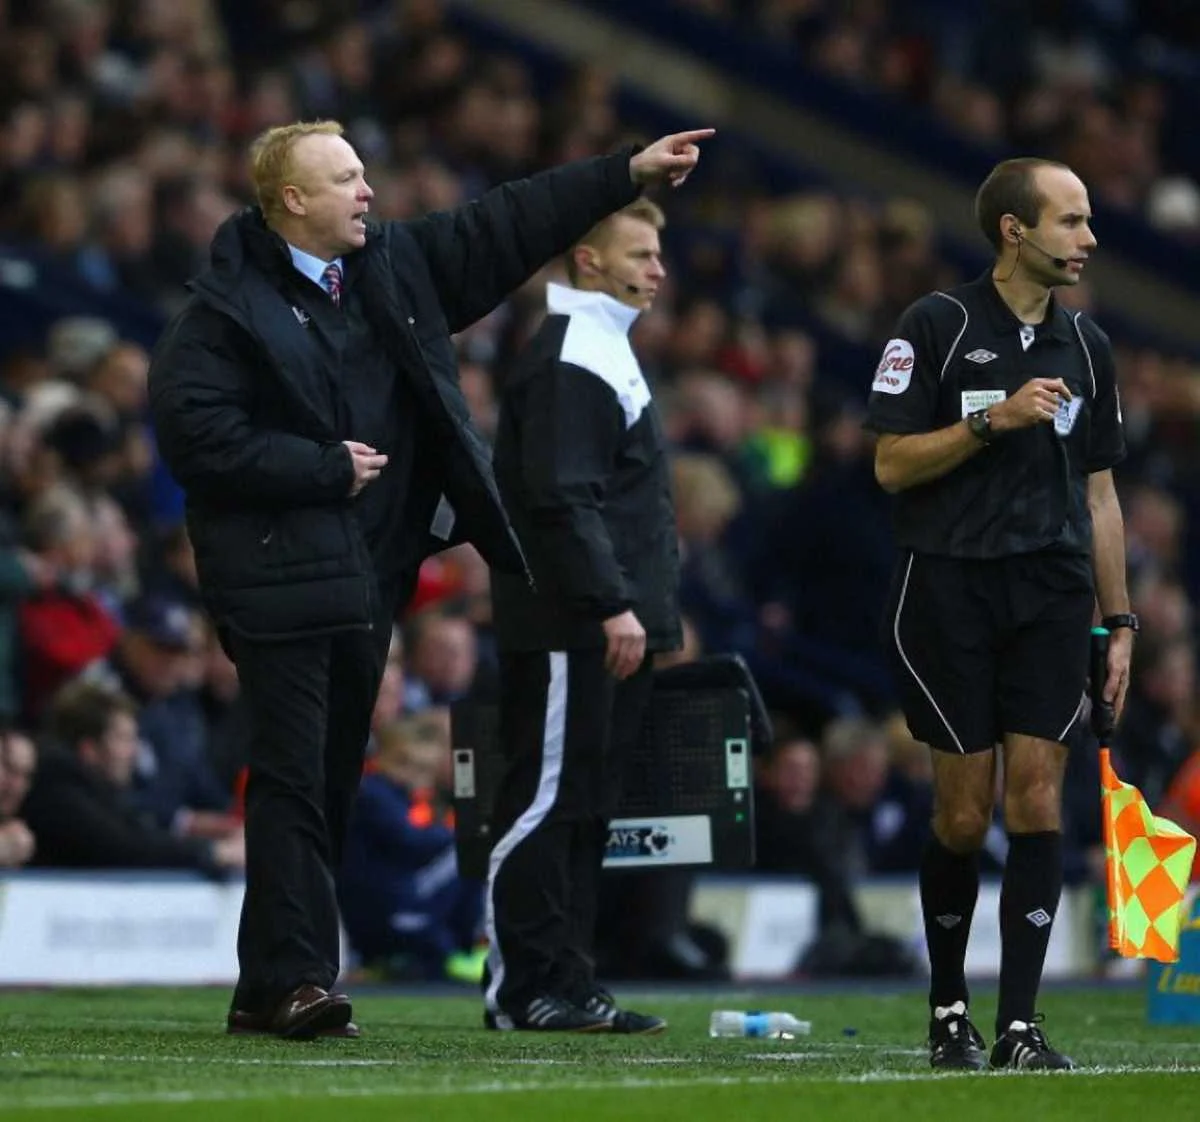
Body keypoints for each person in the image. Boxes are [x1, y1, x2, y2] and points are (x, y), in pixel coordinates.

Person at [147, 118, 712, 1041]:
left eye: (364, 174)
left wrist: (622, 173)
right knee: (293, 772)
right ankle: (296, 979)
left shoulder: (390, 268)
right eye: (345, 179)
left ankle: (266, 982)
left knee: (324, 777)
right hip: (277, 574)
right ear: (292, 201)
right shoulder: (224, 310)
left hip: (369, 572)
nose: (368, 191)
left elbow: (503, 224)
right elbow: (193, 431)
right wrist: (319, 467)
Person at [866, 157, 1133, 1072]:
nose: (1088, 239)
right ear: (1014, 231)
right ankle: (949, 1010)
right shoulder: (936, 326)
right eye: (1070, 222)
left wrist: (1121, 623)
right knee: (961, 812)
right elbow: (890, 465)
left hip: (1052, 594)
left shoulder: (1091, 346)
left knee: (1035, 794)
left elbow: (1100, 497)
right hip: (947, 588)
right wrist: (994, 421)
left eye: (1088, 221)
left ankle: (1020, 1026)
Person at [484, 197, 683, 1033]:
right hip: (572, 624)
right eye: (638, 252)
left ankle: (569, 979)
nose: (658, 268)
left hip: (605, 623)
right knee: (543, 801)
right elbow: (565, 497)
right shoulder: (573, 353)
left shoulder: (603, 347)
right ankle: (522, 987)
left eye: (658, 253)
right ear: (587, 259)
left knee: (587, 804)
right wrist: (611, 605)